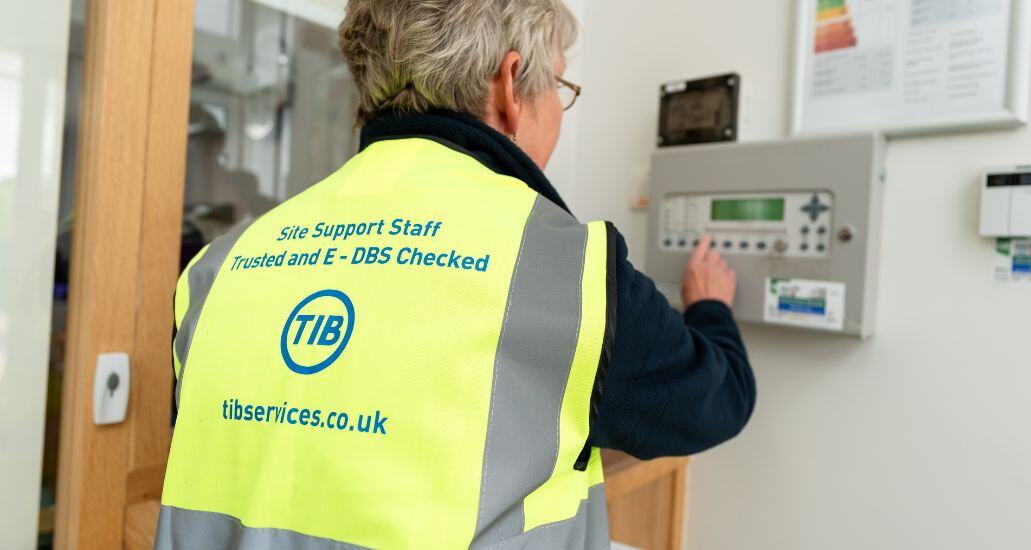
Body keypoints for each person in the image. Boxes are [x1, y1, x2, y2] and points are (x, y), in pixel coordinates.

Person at [156, 1, 754, 548]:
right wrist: (711, 306)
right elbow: (716, 400)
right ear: (511, 84)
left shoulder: (224, 263)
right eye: (561, 88)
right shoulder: (565, 270)